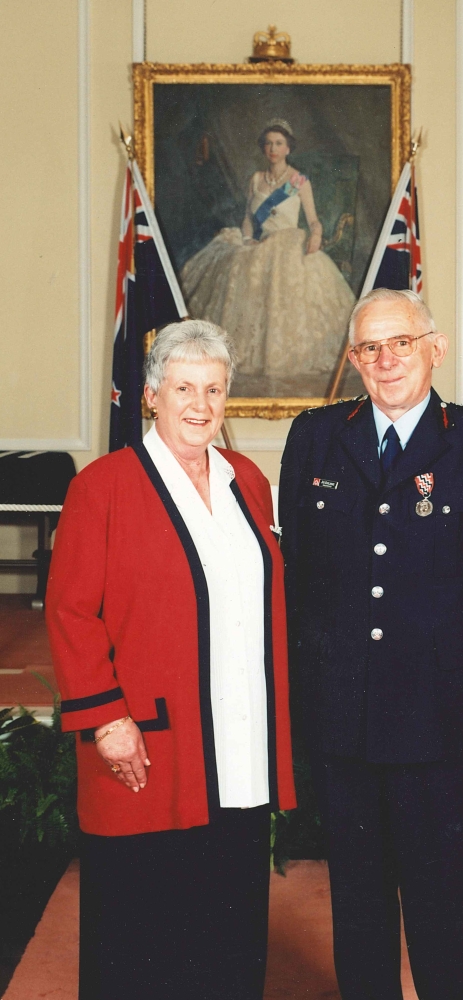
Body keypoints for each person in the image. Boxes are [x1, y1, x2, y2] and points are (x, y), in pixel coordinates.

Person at [279, 288, 463, 1000]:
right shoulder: (315, 437)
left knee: (447, 922)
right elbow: (298, 589)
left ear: (436, 347)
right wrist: (301, 726)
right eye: (369, 347)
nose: (386, 359)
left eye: (401, 342)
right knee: (358, 920)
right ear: (353, 359)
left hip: (445, 733)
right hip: (346, 732)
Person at [46, 319, 296, 1000]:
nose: (200, 404)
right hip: (149, 742)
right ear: (151, 395)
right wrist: (105, 721)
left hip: (238, 749)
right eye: (184, 387)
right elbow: (70, 612)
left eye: (214, 389)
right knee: (139, 926)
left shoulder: (249, 481)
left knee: (231, 920)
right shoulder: (102, 486)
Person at [180, 119, 355, 397]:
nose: (273, 149)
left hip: (288, 244)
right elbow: (248, 220)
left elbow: (313, 220)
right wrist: (248, 238)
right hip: (258, 244)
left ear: (288, 148)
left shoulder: (299, 181)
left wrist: (315, 235)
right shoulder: (256, 179)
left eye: (279, 143)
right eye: (269, 143)